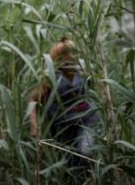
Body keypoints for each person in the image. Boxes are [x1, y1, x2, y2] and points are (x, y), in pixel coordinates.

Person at [28, 37, 99, 176]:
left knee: (86, 151)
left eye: (72, 52)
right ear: (58, 57)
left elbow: (98, 91)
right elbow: (33, 99)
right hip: (64, 127)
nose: (70, 57)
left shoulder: (83, 72)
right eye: (65, 53)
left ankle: (94, 179)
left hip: (87, 120)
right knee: (72, 165)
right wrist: (34, 125)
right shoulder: (51, 77)